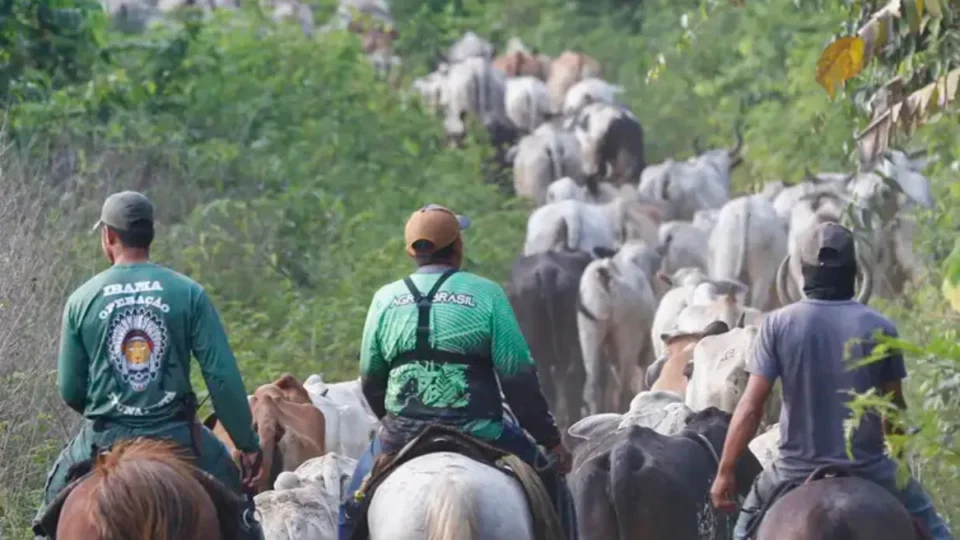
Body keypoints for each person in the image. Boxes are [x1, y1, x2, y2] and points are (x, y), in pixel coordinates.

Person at [33, 191, 264, 539]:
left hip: (104, 436)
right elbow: (223, 380)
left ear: (109, 236)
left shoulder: (82, 299)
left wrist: (107, 410)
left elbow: (70, 388)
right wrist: (247, 442)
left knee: (48, 514)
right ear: (149, 235)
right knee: (243, 518)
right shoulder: (188, 293)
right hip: (178, 436)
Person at [338, 204, 577, 540]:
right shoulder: (486, 293)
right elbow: (517, 376)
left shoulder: (384, 299)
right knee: (555, 488)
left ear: (412, 252)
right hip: (481, 428)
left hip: (402, 432)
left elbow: (371, 379)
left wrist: (394, 421)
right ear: (458, 247)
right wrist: (550, 441)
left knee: (350, 503)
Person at [709, 222, 952, 540]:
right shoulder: (880, 327)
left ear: (803, 272)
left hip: (793, 468)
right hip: (869, 466)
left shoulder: (778, 325)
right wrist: (901, 465)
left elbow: (751, 408)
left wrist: (725, 471)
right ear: (854, 271)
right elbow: (893, 412)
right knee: (938, 533)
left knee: (741, 534)